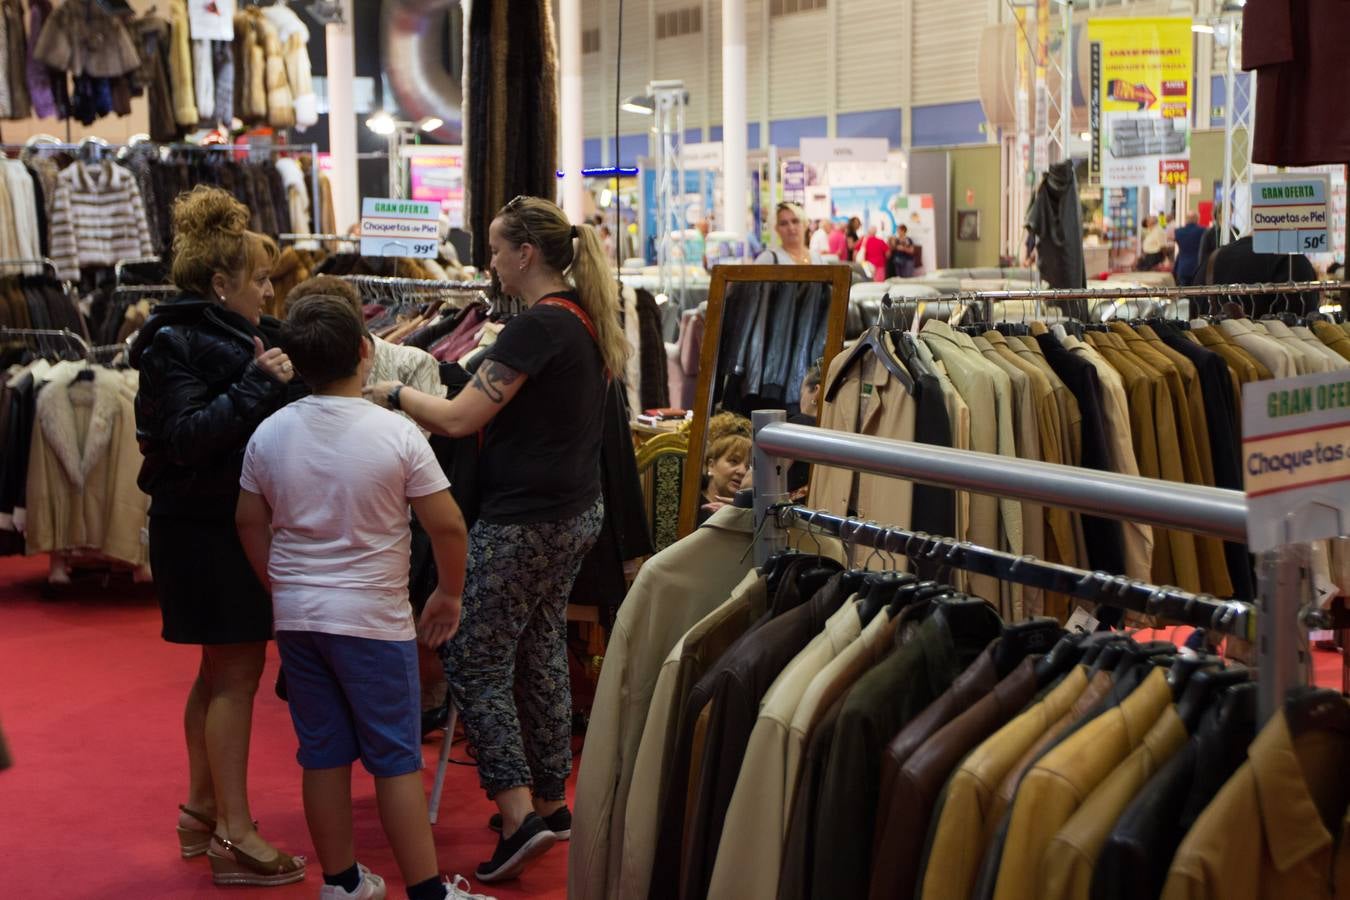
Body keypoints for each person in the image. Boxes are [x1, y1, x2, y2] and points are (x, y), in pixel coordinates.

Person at [363, 195, 623, 882]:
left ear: (526, 254)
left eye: (497, 248)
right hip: (572, 514)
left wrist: (390, 393)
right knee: (537, 651)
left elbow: (455, 418)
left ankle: (518, 814)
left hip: (526, 521)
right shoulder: (583, 319)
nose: (488, 262)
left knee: (472, 658)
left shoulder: (535, 328)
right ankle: (548, 800)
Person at [236, 295, 476, 900]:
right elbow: (447, 526)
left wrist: (280, 582)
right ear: (367, 351)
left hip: (300, 618)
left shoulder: (269, 432)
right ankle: (426, 892)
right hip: (371, 618)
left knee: (321, 753)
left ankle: (342, 884)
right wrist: (449, 593)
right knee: (394, 758)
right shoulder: (395, 432)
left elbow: (247, 520)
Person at [129, 186, 306, 887]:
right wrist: (259, 386)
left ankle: (203, 810)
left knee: (220, 672)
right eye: (260, 279)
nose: (269, 289)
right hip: (205, 529)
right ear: (221, 282)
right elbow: (180, 439)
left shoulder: (227, 335)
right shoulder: (176, 341)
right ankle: (234, 830)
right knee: (234, 674)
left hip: (216, 524)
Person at [698, 411, 751, 525]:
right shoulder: (691, 506)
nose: (742, 471)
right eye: (733, 461)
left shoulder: (750, 514)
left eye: (748, 466)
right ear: (711, 465)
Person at [755, 202, 825, 265]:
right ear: (777, 229)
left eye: (795, 221)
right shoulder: (768, 259)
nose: (791, 228)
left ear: (804, 224)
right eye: (783, 223)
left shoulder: (817, 258)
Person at [1172, 213, 1206, 285]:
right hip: (1197, 266)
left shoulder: (1178, 232)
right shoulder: (1203, 231)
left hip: (1182, 267)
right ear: (1197, 219)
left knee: (1183, 292)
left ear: (1186, 220)